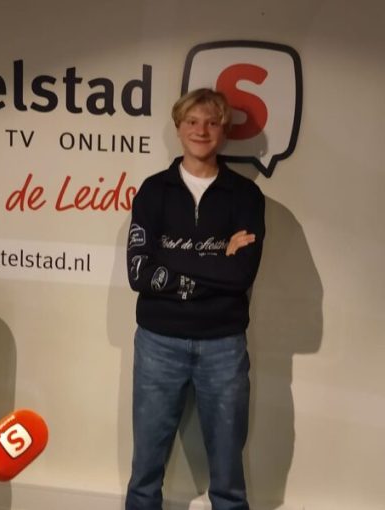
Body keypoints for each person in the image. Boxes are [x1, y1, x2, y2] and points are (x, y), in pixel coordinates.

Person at [125, 88, 265, 510]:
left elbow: (241, 275)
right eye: (192, 121)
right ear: (178, 127)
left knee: (228, 478)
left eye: (212, 122)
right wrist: (218, 257)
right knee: (145, 472)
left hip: (224, 345)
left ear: (224, 131)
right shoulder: (153, 191)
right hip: (158, 343)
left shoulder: (246, 196)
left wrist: (172, 261)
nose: (201, 131)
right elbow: (139, 274)